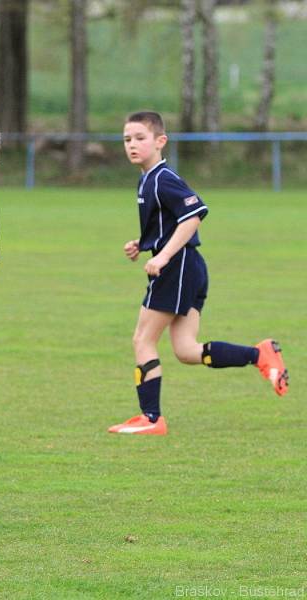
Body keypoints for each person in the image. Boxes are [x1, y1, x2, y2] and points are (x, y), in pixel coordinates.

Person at [109, 111, 289, 436]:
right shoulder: (147, 178)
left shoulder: (163, 177)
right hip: (188, 267)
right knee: (187, 351)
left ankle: (151, 418)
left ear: (160, 141)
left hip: (177, 267)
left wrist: (162, 256)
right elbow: (170, 222)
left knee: (142, 339)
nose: (132, 145)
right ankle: (260, 354)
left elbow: (194, 214)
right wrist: (144, 243)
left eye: (140, 138)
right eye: (127, 139)